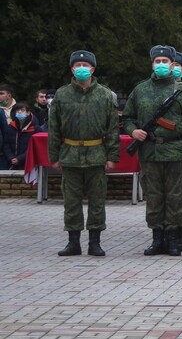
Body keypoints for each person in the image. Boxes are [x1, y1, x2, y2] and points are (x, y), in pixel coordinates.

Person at [123, 45, 182, 257]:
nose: (161, 65)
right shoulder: (140, 90)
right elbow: (128, 117)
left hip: (177, 151)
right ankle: (157, 238)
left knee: (176, 196)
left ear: (172, 65)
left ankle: (173, 239)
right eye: (157, 61)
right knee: (154, 196)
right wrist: (134, 132)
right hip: (150, 152)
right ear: (152, 64)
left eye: (165, 61)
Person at [48, 50, 120, 257]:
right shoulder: (62, 94)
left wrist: (112, 156)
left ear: (92, 69)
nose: (81, 69)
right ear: (71, 69)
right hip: (70, 155)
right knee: (71, 201)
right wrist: (54, 157)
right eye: (77, 65)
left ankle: (94, 243)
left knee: (97, 201)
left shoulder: (105, 95)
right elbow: (53, 128)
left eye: (85, 65)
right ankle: (73, 242)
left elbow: (113, 129)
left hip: (96, 155)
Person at [3, 102, 42, 170]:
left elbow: (37, 147)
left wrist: (20, 158)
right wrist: (11, 157)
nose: (19, 112)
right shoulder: (10, 127)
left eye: (22, 110)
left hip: (29, 162)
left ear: (28, 113)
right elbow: (6, 144)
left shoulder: (35, 129)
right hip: (12, 162)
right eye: (17, 110)